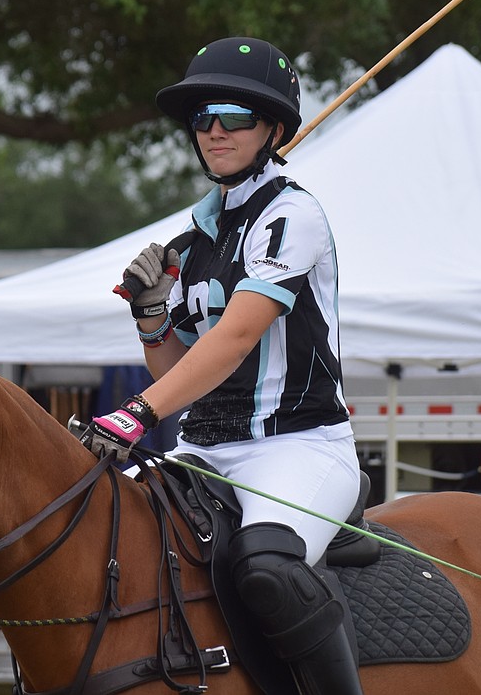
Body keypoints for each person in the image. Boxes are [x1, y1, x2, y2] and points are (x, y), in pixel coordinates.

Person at [82, 37, 364, 695]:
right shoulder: (190, 245)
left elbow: (235, 338)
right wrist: (152, 317)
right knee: (101, 534)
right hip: (203, 451)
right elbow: (179, 370)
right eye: (203, 115)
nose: (214, 129)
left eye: (235, 114)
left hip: (298, 449)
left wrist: (133, 415)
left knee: (264, 566)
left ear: (273, 128)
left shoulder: (293, 215)